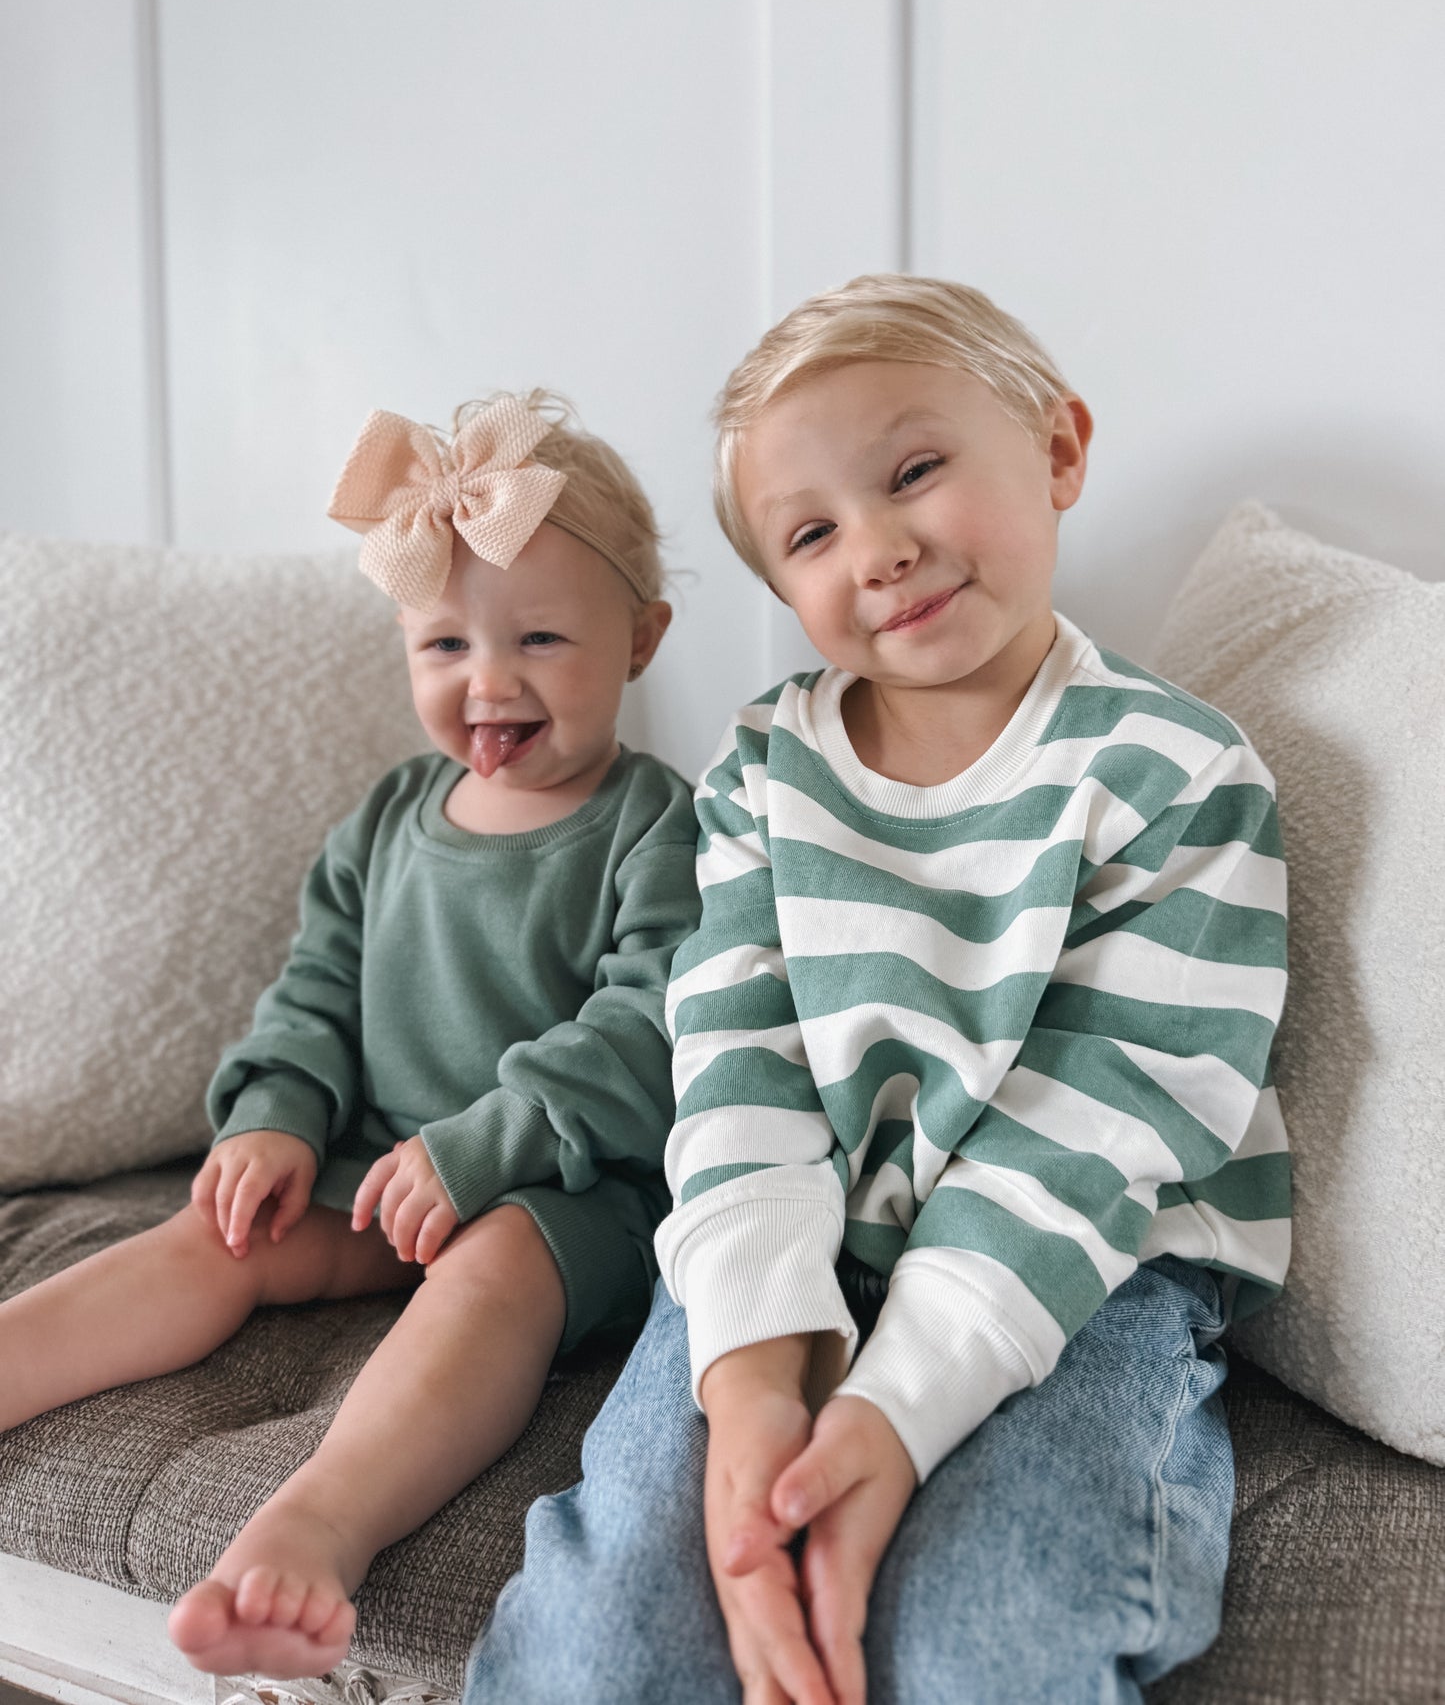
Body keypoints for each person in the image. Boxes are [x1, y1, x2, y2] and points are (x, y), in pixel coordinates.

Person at [466, 278, 1290, 1704]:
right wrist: (750, 1394)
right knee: (610, 1644)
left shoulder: (1175, 774)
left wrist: (892, 1422)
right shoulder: (760, 776)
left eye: (913, 471)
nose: (882, 548)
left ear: (1056, 447)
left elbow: (1095, 1125)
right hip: (785, 1251)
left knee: (979, 1643)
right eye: (811, 533)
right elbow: (735, 1075)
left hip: (1079, 1273)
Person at [0, 392, 700, 1681]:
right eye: (445, 644)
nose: (490, 682)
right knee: (217, 1235)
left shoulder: (657, 826)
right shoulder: (390, 816)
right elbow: (315, 988)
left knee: (494, 1269)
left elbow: (649, 1027)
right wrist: (275, 1114)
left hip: (568, 1188)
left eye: (541, 637)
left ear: (642, 639)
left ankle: (320, 1522)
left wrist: (486, 1149)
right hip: (377, 1160)